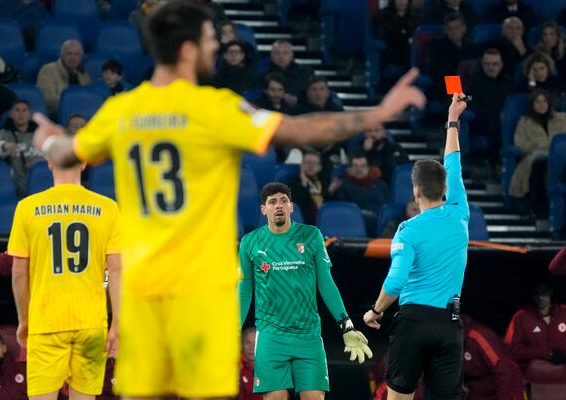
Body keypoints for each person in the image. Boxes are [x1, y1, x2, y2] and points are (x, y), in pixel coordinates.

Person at [31, 2, 425, 399]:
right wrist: (379, 112)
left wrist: (47, 136)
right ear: (187, 49)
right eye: (209, 41)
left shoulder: (122, 111)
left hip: (142, 292)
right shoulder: (215, 108)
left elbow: (66, 152)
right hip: (202, 291)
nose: (215, 49)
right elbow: (297, 129)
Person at [363, 93, 469, 400]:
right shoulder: (459, 212)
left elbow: (396, 281)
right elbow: (454, 162)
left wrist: (375, 311)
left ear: (416, 190)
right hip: (449, 325)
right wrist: (453, 121)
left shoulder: (407, 230)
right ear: (445, 188)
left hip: (413, 323)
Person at [8, 128, 123, 399]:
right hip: (91, 322)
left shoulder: (27, 207)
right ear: (83, 162)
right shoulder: (108, 208)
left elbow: (18, 275)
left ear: (49, 162)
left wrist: (24, 319)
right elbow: (117, 270)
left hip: (46, 321)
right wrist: (117, 320)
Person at [238, 182, 372, 399]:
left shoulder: (311, 236)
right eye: (272, 202)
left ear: (291, 206)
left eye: (283, 201)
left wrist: (347, 326)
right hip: (271, 337)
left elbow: (326, 284)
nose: (278, 206)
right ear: (264, 209)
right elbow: (244, 291)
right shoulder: (250, 242)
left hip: (308, 336)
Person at [509, 89, 566, 217]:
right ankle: (537, 208)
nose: (541, 104)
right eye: (537, 101)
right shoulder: (524, 121)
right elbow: (520, 143)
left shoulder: (562, 119)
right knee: (539, 165)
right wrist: (540, 145)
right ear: (532, 104)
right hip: (534, 156)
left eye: (544, 101)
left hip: (558, 159)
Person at [504, 283, 566, 400]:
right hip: (535, 383)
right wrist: (547, 354)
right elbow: (512, 350)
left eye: (544, 293)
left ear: (551, 292)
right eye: (537, 294)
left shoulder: (564, 313)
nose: (540, 298)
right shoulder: (521, 318)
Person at [464, 48, 512, 171]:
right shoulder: (472, 82)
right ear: (482, 64)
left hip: (503, 125)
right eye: (487, 64)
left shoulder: (508, 83)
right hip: (480, 123)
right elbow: (464, 99)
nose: (491, 67)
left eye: (495, 64)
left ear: (501, 65)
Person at [0, 99, 45, 197]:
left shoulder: (41, 134)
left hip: (41, 185)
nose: (21, 114)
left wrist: (38, 162)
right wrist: (4, 146)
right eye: (17, 110)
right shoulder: (4, 134)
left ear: (29, 114)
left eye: (24, 110)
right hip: (15, 187)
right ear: (11, 114)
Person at [461, 315, 524, 400]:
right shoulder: (444, 341)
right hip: (476, 390)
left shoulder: (477, 337)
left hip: (501, 387)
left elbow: (503, 372)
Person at [425, 13, 478, 102]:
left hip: (467, 87)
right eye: (450, 29)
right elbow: (434, 71)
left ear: (464, 28)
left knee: (477, 98)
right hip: (444, 89)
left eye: (457, 28)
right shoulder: (436, 46)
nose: (453, 32)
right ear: (445, 30)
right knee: (461, 101)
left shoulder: (471, 46)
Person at [36, 40, 91, 115]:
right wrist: (77, 106)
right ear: (62, 55)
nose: (73, 58)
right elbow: (49, 100)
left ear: (81, 57)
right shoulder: (48, 70)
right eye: (69, 54)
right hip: (56, 117)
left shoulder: (83, 75)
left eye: (77, 54)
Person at [263, 40, 313, 107]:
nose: (281, 56)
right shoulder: (263, 74)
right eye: (277, 53)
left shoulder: (305, 72)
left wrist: (298, 100)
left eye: (285, 53)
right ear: (271, 55)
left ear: (292, 55)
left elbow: (313, 93)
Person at [287, 150, 331, 225]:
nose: (310, 166)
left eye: (314, 163)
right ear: (301, 165)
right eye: (307, 162)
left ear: (320, 167)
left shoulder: (326, 184)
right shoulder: (292, 184)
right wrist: (303, 184)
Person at [376, 0, 421, 71]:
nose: (401, 2)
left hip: (411, 55)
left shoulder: (415, 15)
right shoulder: (385, 15)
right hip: (393, 53)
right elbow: (388, 34)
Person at [239, 327, 260, 400]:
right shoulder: (236, 370)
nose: (252, 347)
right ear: (241, 346)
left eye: (255, 343)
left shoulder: (270, 369)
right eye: (248, 343)